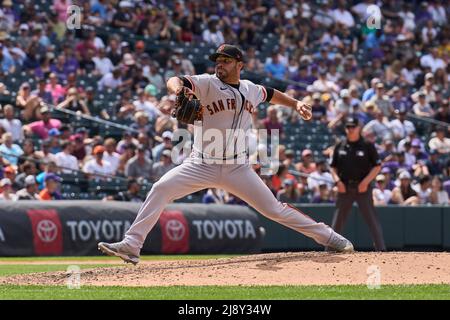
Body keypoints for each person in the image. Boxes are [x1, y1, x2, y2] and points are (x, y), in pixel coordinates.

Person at [98, 44, 353, 264]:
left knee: (274, 210)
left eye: (226, 60)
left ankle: (330, 237)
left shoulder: (251, 88)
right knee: (161, 188)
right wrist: (177, 91)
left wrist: (296, 103)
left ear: (239, 64)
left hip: (237, 168)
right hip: (200, 164)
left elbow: (271, 94)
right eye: (217, 61)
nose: (220, 64)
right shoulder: (207, 83)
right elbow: (177, 80)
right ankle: (132, 245)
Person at [330, 116, 386, 251]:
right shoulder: (340, 145)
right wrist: (338, 181)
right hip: (345, 188)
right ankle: (330, 250)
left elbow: (377, 166)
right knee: (338, 221)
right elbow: (333, 167)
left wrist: (366, 182)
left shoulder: (367, 145)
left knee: (372, 220)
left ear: (359, 128)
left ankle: (381, 249)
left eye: (352, 127)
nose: (350, 130)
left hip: (363, 189)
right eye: (348, 127)